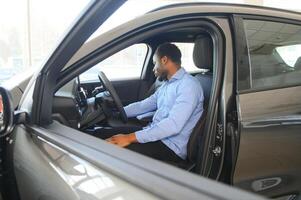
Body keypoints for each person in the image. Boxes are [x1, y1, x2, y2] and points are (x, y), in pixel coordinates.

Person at [99, 43, 204, 163]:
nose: (153, 69)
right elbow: (144, 105)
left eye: (155, 63)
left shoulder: (189, 86)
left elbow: (173, 125)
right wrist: (118, 112)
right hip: (156, 133)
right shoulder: (168, 84)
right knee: (101, 133)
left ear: (164, 60)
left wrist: (129, 138)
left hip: (170, 147)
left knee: (110, 149)